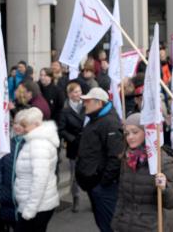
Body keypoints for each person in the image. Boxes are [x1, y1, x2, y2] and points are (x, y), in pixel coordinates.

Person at [111, 113, 173, 231]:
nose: (130, 137)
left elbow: (172, 203)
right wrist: (116, 224)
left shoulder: (162, 161)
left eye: (135, 132)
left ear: (147, 132)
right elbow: (122, 197)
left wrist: (164, 188)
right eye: (127, 133)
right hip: (125, 226)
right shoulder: (126, 158)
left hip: (150, 227)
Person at [76, 87, 124, 232]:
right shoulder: (96, 119)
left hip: (103, 187)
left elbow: (115, 157)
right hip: (95, 184)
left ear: (99, 103)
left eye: (87, 101)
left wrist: (103, 182)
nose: (84, 104)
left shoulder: (109, 122)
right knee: (102, 223)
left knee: (108, 225)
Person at [13, 107, 60, 231]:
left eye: (26, 125)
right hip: (37, 204)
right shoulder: (35, 141)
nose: (24, 129)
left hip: (36, 207)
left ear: (37, 124)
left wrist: (30, 210)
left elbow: (40, 180)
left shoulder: (38, 145)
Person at [0, 113, 28, 229]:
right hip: (6, 197)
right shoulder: (7, 144)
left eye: (22, 124)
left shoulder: (30, 145)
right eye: (15, 123)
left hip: (23, 200)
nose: (17, 126)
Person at [58, 81, 84, 212]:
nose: (78, 94)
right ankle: (76, 197)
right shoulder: (65, 111)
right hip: (74, 146)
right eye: (75, 91)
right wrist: (72, 139)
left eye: (79, 91)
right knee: (75, 173)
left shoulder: (86, 106)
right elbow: (61, 129)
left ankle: (93, 198)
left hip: (87, 144)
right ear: (69, 94)